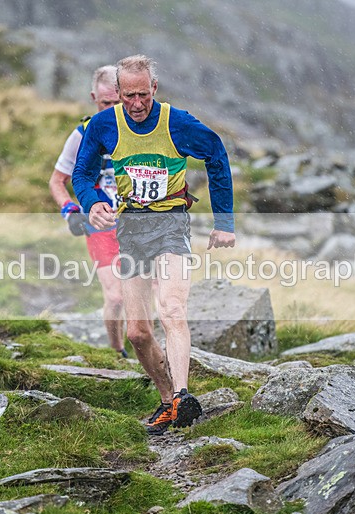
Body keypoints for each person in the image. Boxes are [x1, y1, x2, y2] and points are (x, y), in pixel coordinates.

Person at [72, 54, 236, 435]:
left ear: (154, 89)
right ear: (118, 92)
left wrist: (224, 221)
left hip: (170, 224)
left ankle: (182, 397)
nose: (136, 104)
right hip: (130, 229)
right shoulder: (102, 125)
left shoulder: (176, 122)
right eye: (128, 96)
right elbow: (81, 173)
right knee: (138, 334)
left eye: (143, 95)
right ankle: (167, 401)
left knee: (172, 307)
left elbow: (216, 154)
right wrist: (92, 201)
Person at [49, 65, 128, 358]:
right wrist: (70, 210)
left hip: (137, 223)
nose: (112, 109)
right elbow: (57, 181)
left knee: (155, 293)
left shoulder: (140, 130)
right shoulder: (82, 133)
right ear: (94, 97)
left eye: (118, 103)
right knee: (117, 296)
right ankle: (117, 350)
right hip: (100, 224)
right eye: (106, 103)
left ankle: (149, 348)